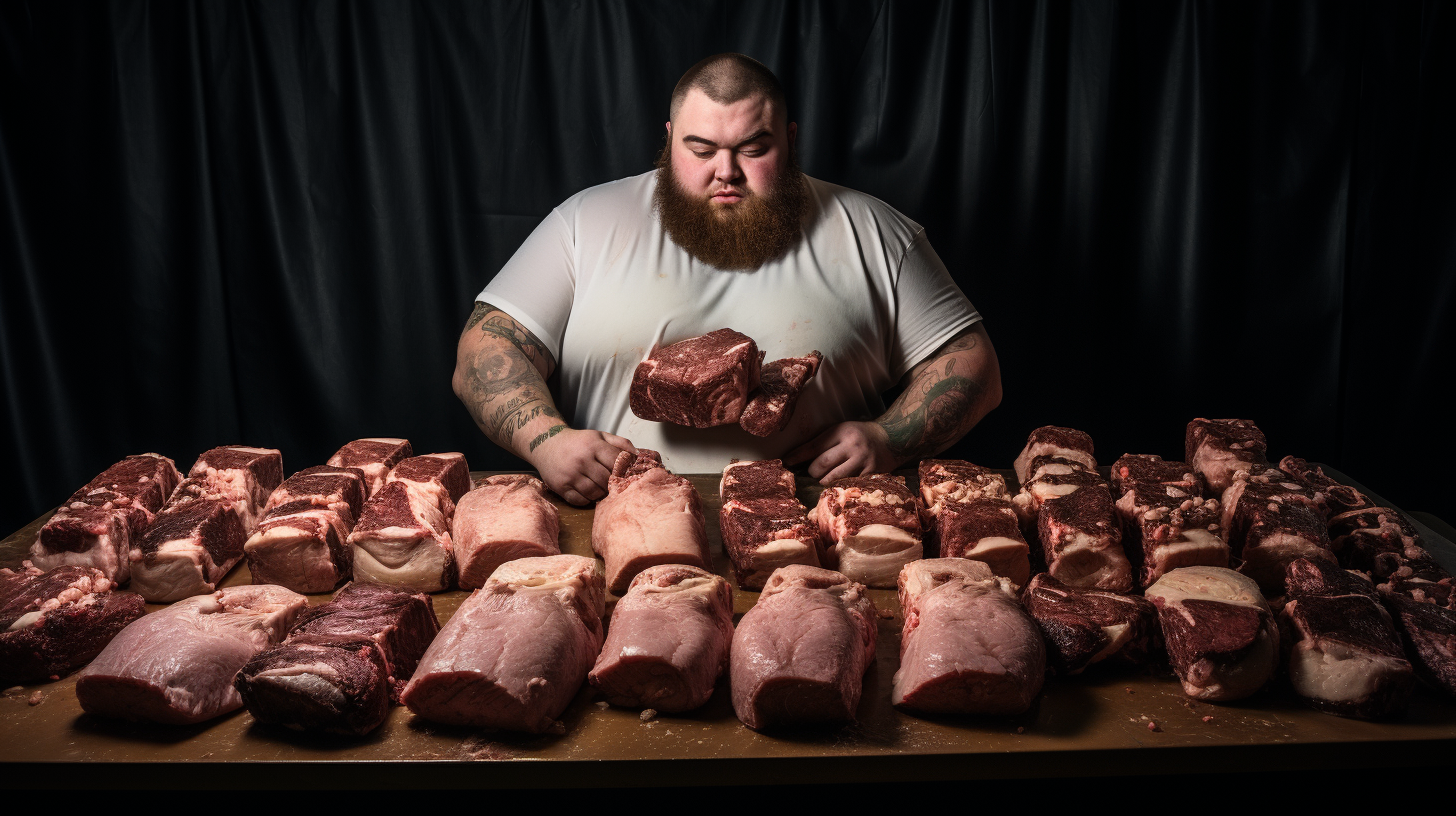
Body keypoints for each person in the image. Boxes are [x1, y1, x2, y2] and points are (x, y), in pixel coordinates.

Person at [453, 54, 1002, 506]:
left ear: (789, 140)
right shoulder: (584, 223)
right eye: (701, 149)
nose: (726, 172)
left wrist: (889, 439)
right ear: (669, 140)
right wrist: (547, 442)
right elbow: (485, 347)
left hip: (816, 532)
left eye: (752, 149)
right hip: (619, 523)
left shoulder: (873, 231)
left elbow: (975, 364)